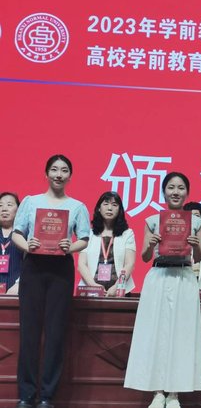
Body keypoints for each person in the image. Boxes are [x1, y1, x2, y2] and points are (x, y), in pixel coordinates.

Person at [12, 154, 91, 408]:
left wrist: (71, 246)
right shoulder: (30, 202)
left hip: (61, 270)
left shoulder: (77, 206)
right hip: (33, 267)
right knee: (30, 332)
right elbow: (16, 233)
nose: (59, 174)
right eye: (54, 169)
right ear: (46, 174)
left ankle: (47, 395)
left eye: (64, 170)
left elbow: (84, 239)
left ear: (70, 176)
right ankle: (26, 394)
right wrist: (28, 245)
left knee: (56, 333)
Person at [124, 172, 201, 408]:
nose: (175, 192)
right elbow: (145, 257)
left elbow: (199, 257)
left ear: (187, 193)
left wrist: (196, 246)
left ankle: (174, 394)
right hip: (159, 277)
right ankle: (158, 392)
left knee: (182, 334)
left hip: (184, 278)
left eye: (180, 188)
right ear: (163, 192)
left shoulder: (196, 222)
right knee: (156, 333)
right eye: (171, 187)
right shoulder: (152, 220)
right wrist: (150, 245)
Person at [77, 191, 136, 296]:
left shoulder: (127, 234)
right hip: (91, 290)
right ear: (99, 209)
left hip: (120, 290)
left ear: (120, 210)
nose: (109, 208)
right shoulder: (88, 234)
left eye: (114, 205)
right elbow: (81, 264)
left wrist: (117, 287)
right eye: (105, 204)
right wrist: (93, 286)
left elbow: (129, 264)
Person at [0, 192, 23, 295]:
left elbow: (32, 264)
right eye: (0, 205)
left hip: (17, 291)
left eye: (9, 205)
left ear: (18, 210)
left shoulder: (24, 235)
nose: (4, 209)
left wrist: (19, 284)